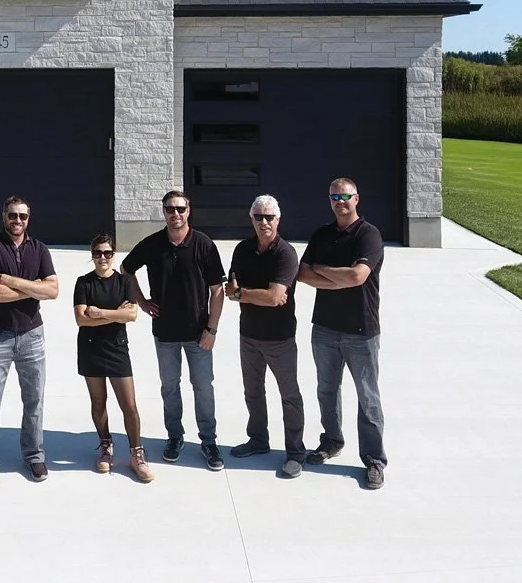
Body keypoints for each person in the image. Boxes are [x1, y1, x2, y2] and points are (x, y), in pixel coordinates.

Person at [121, 190, 227, 470]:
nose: (175, 214)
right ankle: (175, 437)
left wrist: (212, 329)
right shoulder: (152, 244)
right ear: (164, 212)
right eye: (170, 209)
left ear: (188, 211)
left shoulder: (203, 244)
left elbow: (217, 291)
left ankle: (209, 441)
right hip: (165, 333)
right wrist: (141, 301)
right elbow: (126, 269)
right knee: (170, 387)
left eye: (180, 209)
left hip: (198, 334)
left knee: (203, 387)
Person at [296, 177, 388, 489]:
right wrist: (340, 279)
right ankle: (332, 441)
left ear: (356, 199)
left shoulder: (369, 235)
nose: (339, 202)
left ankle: (374, 460)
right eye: (334, 197)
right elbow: (302, 273)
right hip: (324, 327)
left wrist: (323, 271)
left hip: (361, 330)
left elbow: (358, 276)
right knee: (326, 390)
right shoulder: (322, 234)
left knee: (367, 397)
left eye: (345, 196)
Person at [0, 195, 58, 494]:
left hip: (32, 335)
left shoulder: (40, 249)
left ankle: (34, 456)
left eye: (23, 216)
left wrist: (12, 281)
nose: (18, 221)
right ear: (4, 216)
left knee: (34, 401)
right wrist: (34, 289)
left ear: (28, 218)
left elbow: (54, 290)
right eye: (13, 215)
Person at [225, 194, 307, 477]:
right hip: (248, 334)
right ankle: (258, 440)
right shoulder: (242, 249)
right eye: (258, 217)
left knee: (289, 395)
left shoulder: (286, 254)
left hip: (280, 338)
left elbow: (274, 298)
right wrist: (249, 294)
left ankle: (295, 452)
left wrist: (244, 293)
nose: (264, 222)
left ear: (278, 220)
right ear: (251, 219)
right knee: (253, 392)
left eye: (269, 217)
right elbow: (230, 291)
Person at [72, 233, 156, 483]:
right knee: (98, 403)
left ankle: (136, 453)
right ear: (92, 255)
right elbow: (81, 319)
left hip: (117, 349)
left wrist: (99, 313)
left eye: (107, 253)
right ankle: (105, 445)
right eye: (98, 253)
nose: (103, 258)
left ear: (113, 254)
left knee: (129, 405)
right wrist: (115, 314)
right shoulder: (83, 283)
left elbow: (132, 315)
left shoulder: (124, 282)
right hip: (90, 349)